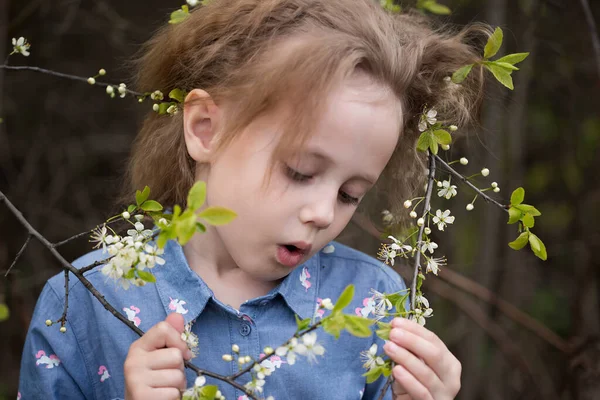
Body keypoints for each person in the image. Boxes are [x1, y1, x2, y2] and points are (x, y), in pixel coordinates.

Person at [18, 0, 486, 399]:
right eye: (299, 171)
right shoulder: (85, 304)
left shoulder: (373, 305)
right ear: (206, 129)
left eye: (349, 194)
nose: (322, 213)